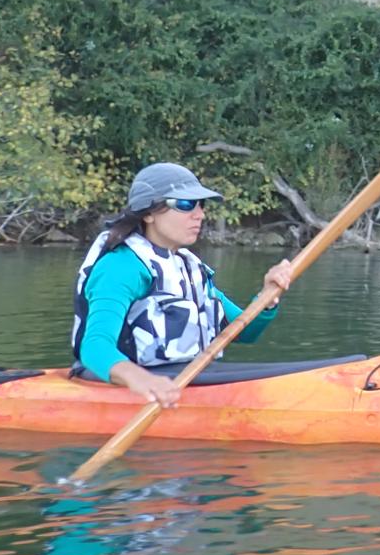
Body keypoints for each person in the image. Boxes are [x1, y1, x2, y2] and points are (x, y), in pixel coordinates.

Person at [72, 162, 294, 408]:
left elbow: (245, 332)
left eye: (201, 205)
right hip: (121, 383)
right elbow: (94, 348)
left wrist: (267, 297)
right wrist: (143, 381)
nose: (199, 214)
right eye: (185, 204)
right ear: (148, 213)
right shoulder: (121, 267)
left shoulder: (188, 268)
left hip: (184, 377)